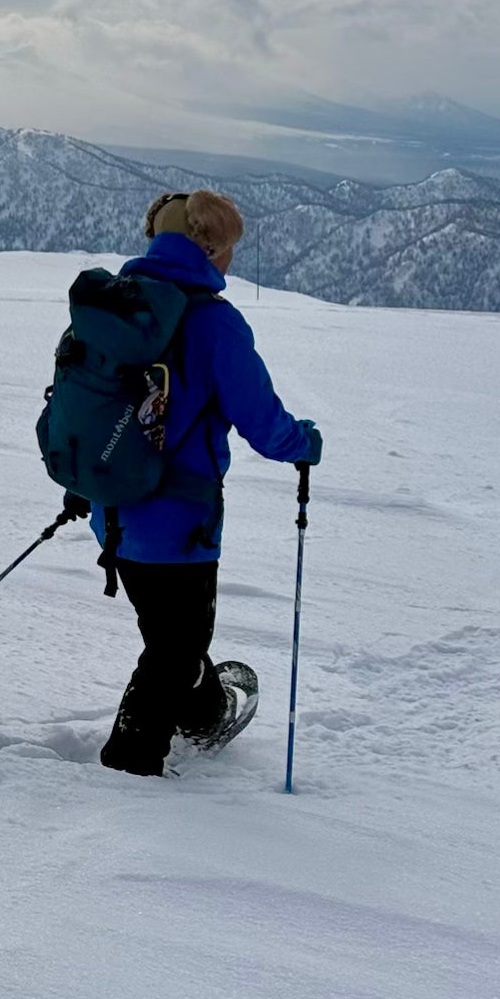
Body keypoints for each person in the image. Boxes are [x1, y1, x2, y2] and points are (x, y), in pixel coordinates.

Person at [90, 189, 322, 777]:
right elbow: (264, 424)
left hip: (112, 510)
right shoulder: (216, 324)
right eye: (229, 250)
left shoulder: (117, 309)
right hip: (180, 525)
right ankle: (128, 765)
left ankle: (204, 715)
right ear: (209, 248)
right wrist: (305, 443)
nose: (230, 263)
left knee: (172, 634)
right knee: (174, 648)